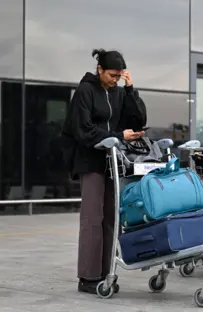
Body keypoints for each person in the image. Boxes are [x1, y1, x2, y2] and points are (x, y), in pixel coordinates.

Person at [61, 48, 147, 294]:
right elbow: (83, 130)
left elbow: (138, 119)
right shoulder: (85, 92)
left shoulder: (119, 93)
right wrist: (118, 135)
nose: (115, 79)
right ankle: (87, 277)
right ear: (100, 69)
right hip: (90, 161)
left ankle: (106, 273)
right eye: (112, 75)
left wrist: (130, 90)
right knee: (92, 219)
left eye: (120, 76)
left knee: (112, 218)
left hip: (112, 162)